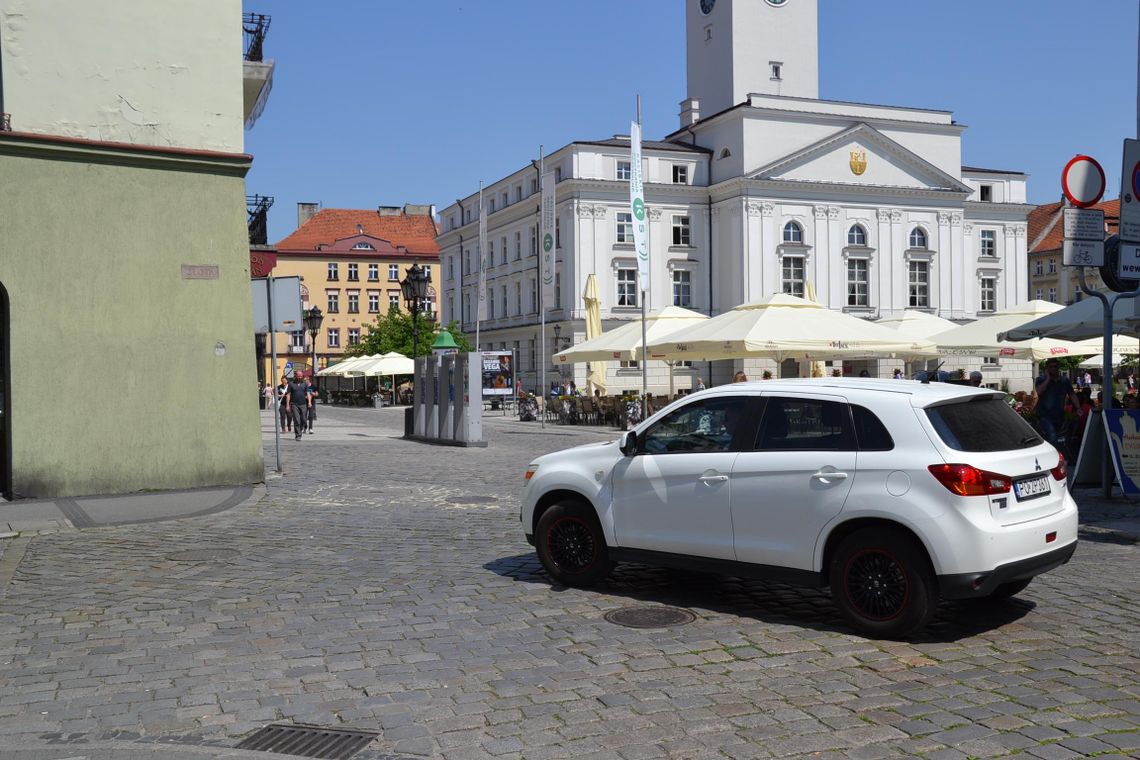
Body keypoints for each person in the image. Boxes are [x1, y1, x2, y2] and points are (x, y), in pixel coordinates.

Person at [1035, 358, 1081, 448]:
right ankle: (1056, 458)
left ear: (1058, 367)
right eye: (1051, 367)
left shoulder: (1064, 381)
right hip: (1045, 415)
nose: (1053, 368)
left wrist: (1078, 408)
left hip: (1059, 415)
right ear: (1047, 368)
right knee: (1052, 437)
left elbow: (1072, 394)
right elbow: (1039, 391)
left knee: (1055, 438)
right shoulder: (1040, 379)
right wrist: (1048, 379)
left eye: (1055, 366)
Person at [284, 372, 310, 441]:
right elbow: (288, 395)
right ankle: (298, 435)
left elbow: (308, 393)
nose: (300, 377)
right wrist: (287, 405)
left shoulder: (305, 384)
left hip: (303, 404)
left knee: (303, 419)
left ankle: (303, 426)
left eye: (301, 376)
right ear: (295, 376)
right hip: (294, 404)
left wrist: (309, 402)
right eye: (298, 376)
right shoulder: (291, 384)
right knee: (297, 420)